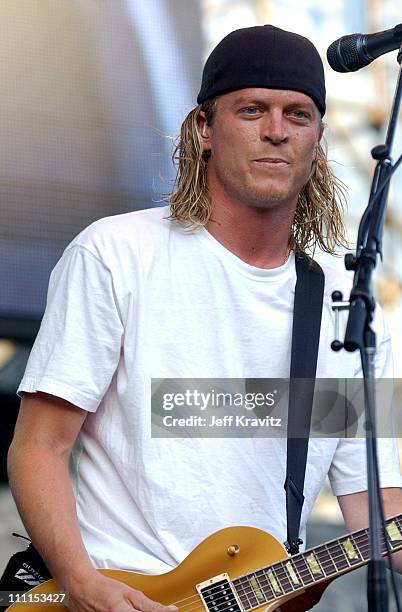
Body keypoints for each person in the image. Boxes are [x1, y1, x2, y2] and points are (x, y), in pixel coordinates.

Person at [7, 25, 402, 612]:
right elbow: (39, 447)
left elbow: (378, 512)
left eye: (298, 114)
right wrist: (82, 585)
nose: (276, 131)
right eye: (251, 109)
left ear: (318, 141)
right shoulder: (117, 254)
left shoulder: (347, 304)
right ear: (203, 129)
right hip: (118, 593)